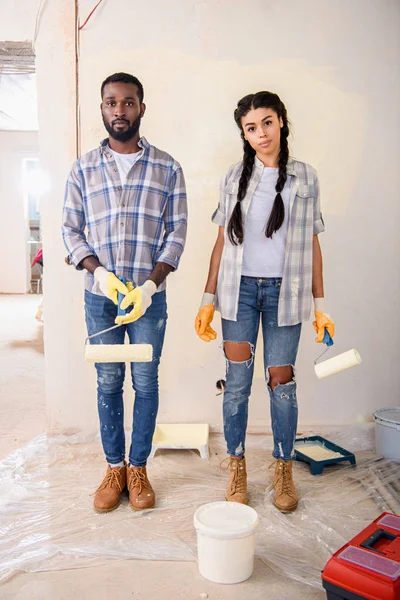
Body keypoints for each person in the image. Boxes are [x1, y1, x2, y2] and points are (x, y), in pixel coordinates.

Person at [195, 91, 334, 512]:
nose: (261, 133)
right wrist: (207, 299)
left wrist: (321, 303)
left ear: (281, 122)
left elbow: (312, 243)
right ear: (243, 133)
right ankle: (236, 466)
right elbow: (221, 242)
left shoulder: (305, 177)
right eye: (251, 127)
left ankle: (283, 468)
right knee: (236, 385)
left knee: (282, 385)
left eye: (267, 123)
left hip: (285, 295)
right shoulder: (233, 177)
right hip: (238, 293)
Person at [62, 72, 187, 513]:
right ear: (102, 108)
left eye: (128, 102)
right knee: (109, 380)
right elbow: (70, 230)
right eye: (112, 103)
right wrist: (97, 273)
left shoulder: (168, 167)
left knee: (146, 381)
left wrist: (152, 285)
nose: (120, 110)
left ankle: (139, 468)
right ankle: (114, 467)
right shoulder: (82, 169)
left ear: (141, 108)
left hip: (148, 298)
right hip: (101, 297)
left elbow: (177, 233)